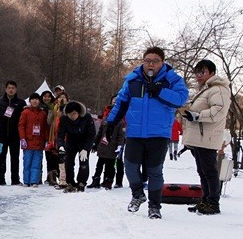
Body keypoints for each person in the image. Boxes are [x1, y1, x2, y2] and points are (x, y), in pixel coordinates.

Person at [104, 47, 189, 219]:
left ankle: (154, 206)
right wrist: (111, 122)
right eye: (147, 60)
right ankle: (137, 194)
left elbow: (181, 99)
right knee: (130, 166)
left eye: (155, 61)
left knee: (154, 170)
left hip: (159, 133)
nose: (151, 64)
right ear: (143, 61)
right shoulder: (133, 80)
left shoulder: (171, 79)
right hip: (135, 132)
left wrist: (159, 91)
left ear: (162, 63)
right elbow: (121, 102)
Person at [181, 59, 232, 215]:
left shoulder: (219, 89)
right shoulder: (205, 89)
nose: (199, 75)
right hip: (199, 137)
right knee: (203, 171)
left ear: (212, 72)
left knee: (209, 171)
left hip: (207, 137)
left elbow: (219, 110)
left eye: (202, 72)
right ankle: (205, 199)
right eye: (197, 72)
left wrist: (196, 116)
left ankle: (213, 202)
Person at [56, 101, 96, 192]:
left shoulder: (87, 117)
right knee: (68, 163)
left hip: (84, 142)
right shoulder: (63, 119)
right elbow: (60, 134)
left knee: (84, 163)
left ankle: (82, 182)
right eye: (70, 114)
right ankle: (70, 182)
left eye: (74, 114)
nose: (72, 116)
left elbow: (91, 135)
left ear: (79, 113)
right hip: (71, 143)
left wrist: (86, 149)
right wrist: (61, 145)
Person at [0, 80, 26, 185]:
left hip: (15, 135)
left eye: (13, 88)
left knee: (15, 158)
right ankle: (1, 178)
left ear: (16, 89)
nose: (11, 90)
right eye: (9, 88)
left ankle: (15, 179)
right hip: (1, 135)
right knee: (1, 157)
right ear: (5, 89)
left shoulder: (21, 103)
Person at [88, 105, 126, 189]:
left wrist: (119, 146)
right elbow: (100, 132)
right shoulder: (105, 120)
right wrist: (95, 143)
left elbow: (121, 136)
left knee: (110, 166)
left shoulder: (120, 123)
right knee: (99, 165)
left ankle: (108, 180)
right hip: (103, 146)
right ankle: (96, 179)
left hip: (112, 148)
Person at [18, 93, 48, 186]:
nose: (35, 101)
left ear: (39, 101)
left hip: (39, 142)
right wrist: (22, 138)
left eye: (36, 99)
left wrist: (46, 140)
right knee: (27, 162)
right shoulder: (25, 112)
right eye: (33, 99)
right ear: (30, 101)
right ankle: (26, 181)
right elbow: (21, 126)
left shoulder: (43, 113)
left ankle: (34, 181)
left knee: (37, 163)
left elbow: (45, 128)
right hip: (28, 142)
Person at [40, 90, 60, 185]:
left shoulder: (54, 107)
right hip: (42, 134)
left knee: (53, 156)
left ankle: (53, 176)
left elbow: (50, 121)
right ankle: (48, 176)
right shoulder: (39, 107)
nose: (46, 98)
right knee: (46, 156)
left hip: (52, 134)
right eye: (44, 96)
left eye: (48, 96)